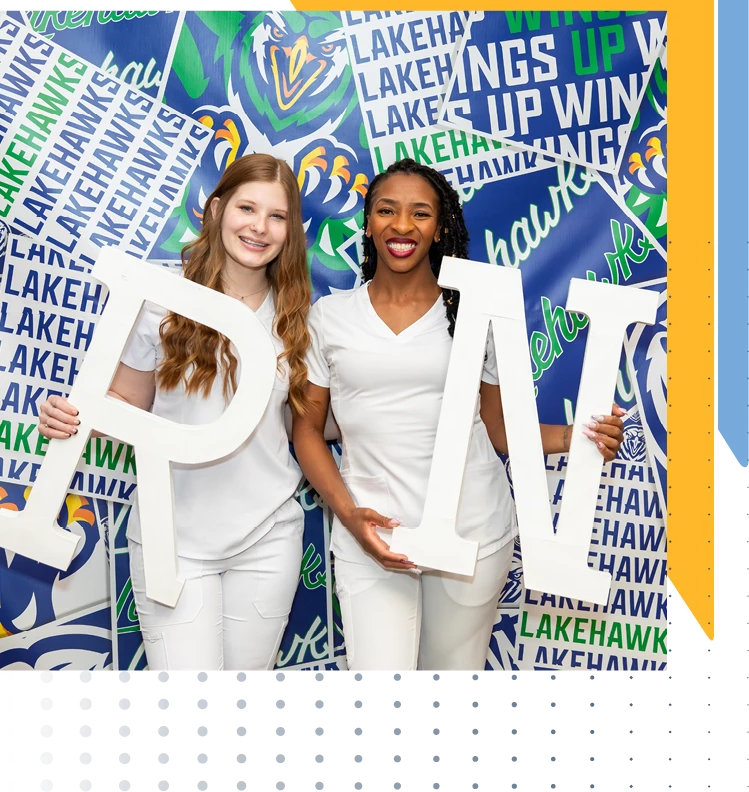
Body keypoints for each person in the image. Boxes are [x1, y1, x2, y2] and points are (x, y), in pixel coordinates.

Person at [292, 158, 625, 672]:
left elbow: (498, 428)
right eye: (387, 210)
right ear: (368, 221)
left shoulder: (474, 315)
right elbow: (307, 431)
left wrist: (583, 438)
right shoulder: (329, 318)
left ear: (441, 226)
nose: (402, 226)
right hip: (373, 533)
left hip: (471, 535)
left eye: (420, 213)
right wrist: (350, 515)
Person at [38, 153, 311, 673]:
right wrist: (73, 415)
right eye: (246, 208)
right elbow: (124, 405)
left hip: (269, 538)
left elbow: (315, 425)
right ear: (216, 209)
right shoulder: (161, 302)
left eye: (276, 216)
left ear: (290, 229)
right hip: (172, 538)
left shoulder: (301, 317)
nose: (259, 227)